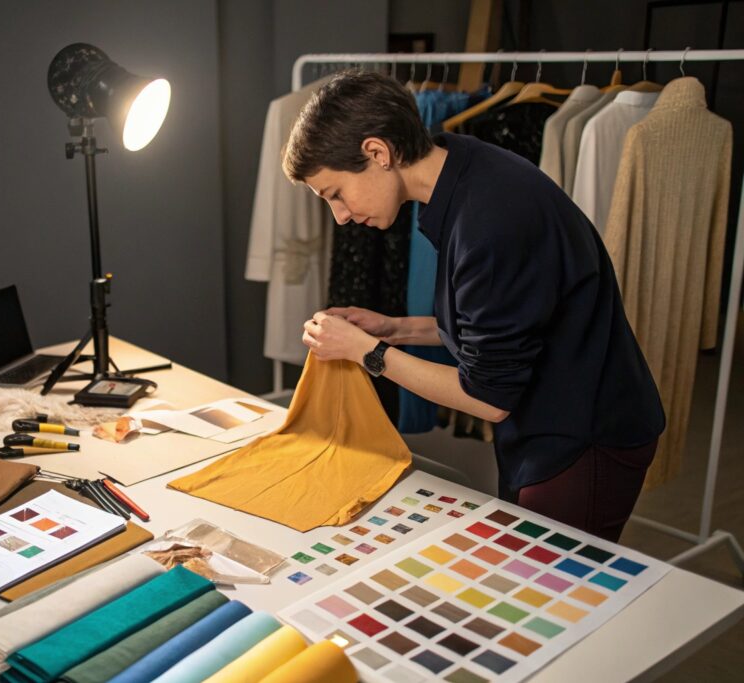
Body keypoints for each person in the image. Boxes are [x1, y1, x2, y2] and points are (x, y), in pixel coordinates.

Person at [283, 71, 665, 542]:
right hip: (556, 417)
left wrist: (368, 352)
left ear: (377, 152)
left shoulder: (489, 220)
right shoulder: (463, 167)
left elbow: (488, 397)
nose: (340, 215)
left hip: (583, 436)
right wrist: (394, 328)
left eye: (335, 194)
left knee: (551, 593)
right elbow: (500, 323)